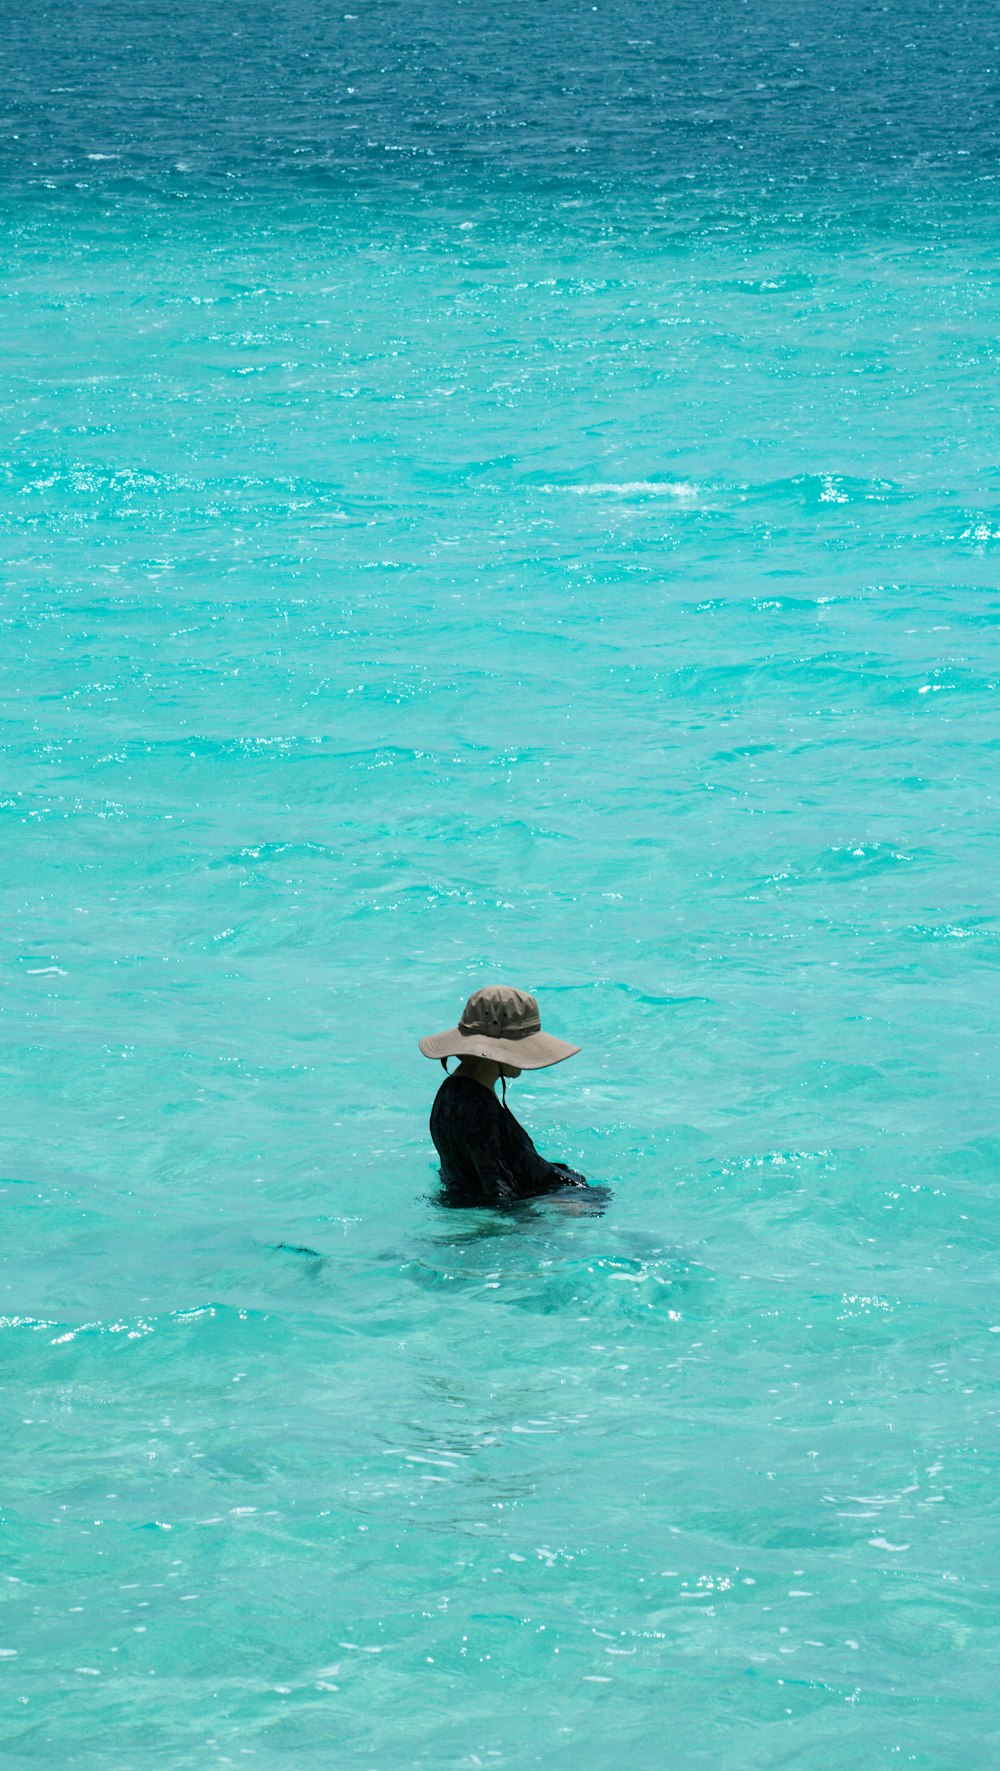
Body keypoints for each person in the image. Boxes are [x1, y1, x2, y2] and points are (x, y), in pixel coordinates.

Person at [419, 984, 590, 1206]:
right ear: (498, 1052)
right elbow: (499, 1193)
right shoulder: (479, 1108)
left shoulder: (449, 1092)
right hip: (525, 1206)